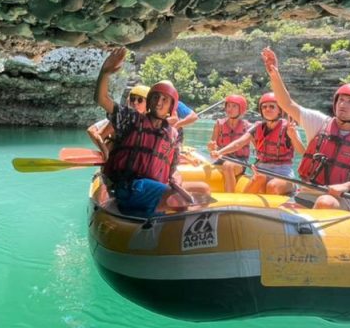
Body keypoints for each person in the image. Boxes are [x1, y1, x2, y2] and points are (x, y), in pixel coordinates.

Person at [261, 46, 350, 210]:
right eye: (341, 100)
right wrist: (274, 74)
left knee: (325, 202)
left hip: (344, 199)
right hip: (309, 193)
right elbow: (287, 104)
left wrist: (347, 185)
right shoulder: (319, 122)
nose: (343, 105)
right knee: (278, 214)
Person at [95, 48, 211, 217]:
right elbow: (102, 99)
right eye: (155, 98)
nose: (158, 103)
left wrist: (177, 179)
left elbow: (173, 169)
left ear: (172, 107)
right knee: (176, 198)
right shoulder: (131, 119)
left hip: (151, 189)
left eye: (164, 100)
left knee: (203, 190)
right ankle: (160, 225)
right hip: (129, 186)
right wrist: (105, 73)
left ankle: (158, 219)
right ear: (149, 101)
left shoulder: (173, 134)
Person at [209, 92, 306, 195]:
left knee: (272, 186)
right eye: (264, 107)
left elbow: (302, 152)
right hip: (261, 170)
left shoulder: (289, 128)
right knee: (256, 182)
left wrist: (294, 137)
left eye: (272, 107)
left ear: (279, 110)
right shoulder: (257, 127)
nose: (267, 109)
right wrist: (220, 152)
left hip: (283, 172)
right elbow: (239, 143)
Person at [86, 84, 148, 161]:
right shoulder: (122, 118)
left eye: (140, 100)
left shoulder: (150, 121)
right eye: (132, 99)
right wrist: (106, 152)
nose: (135, 102)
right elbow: (94, 132)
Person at [206, 94, 250, 192]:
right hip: (221, 159)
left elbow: (258, 148)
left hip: (240, 161)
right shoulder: (219, 124)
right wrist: (211, 148)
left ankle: (230, 199)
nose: (230, 109)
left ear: (241, 109)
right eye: (228, 106)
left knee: (228, 165)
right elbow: (212, 148)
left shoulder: (247, 126)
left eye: (234, 106)